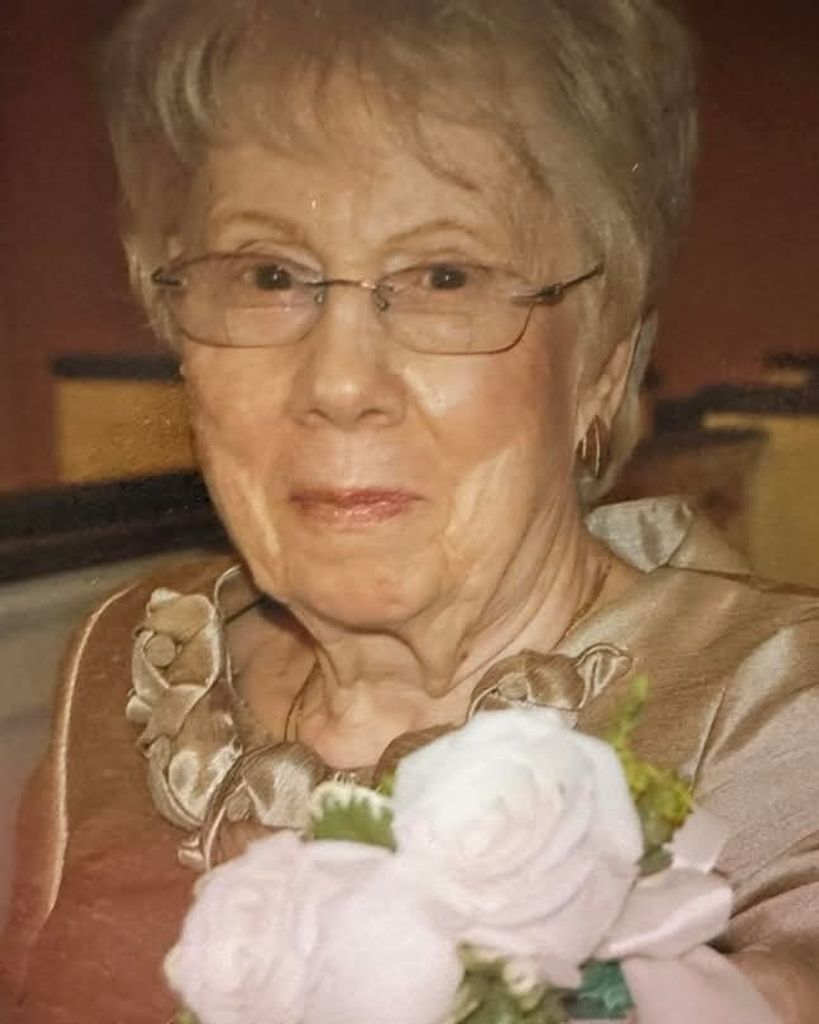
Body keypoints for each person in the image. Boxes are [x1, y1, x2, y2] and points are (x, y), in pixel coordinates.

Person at [2, 1, 818, 1020]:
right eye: (268, 274)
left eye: (443, 277)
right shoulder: (131, 669)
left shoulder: (777, 719)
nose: (340, 383)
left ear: (602, 364)